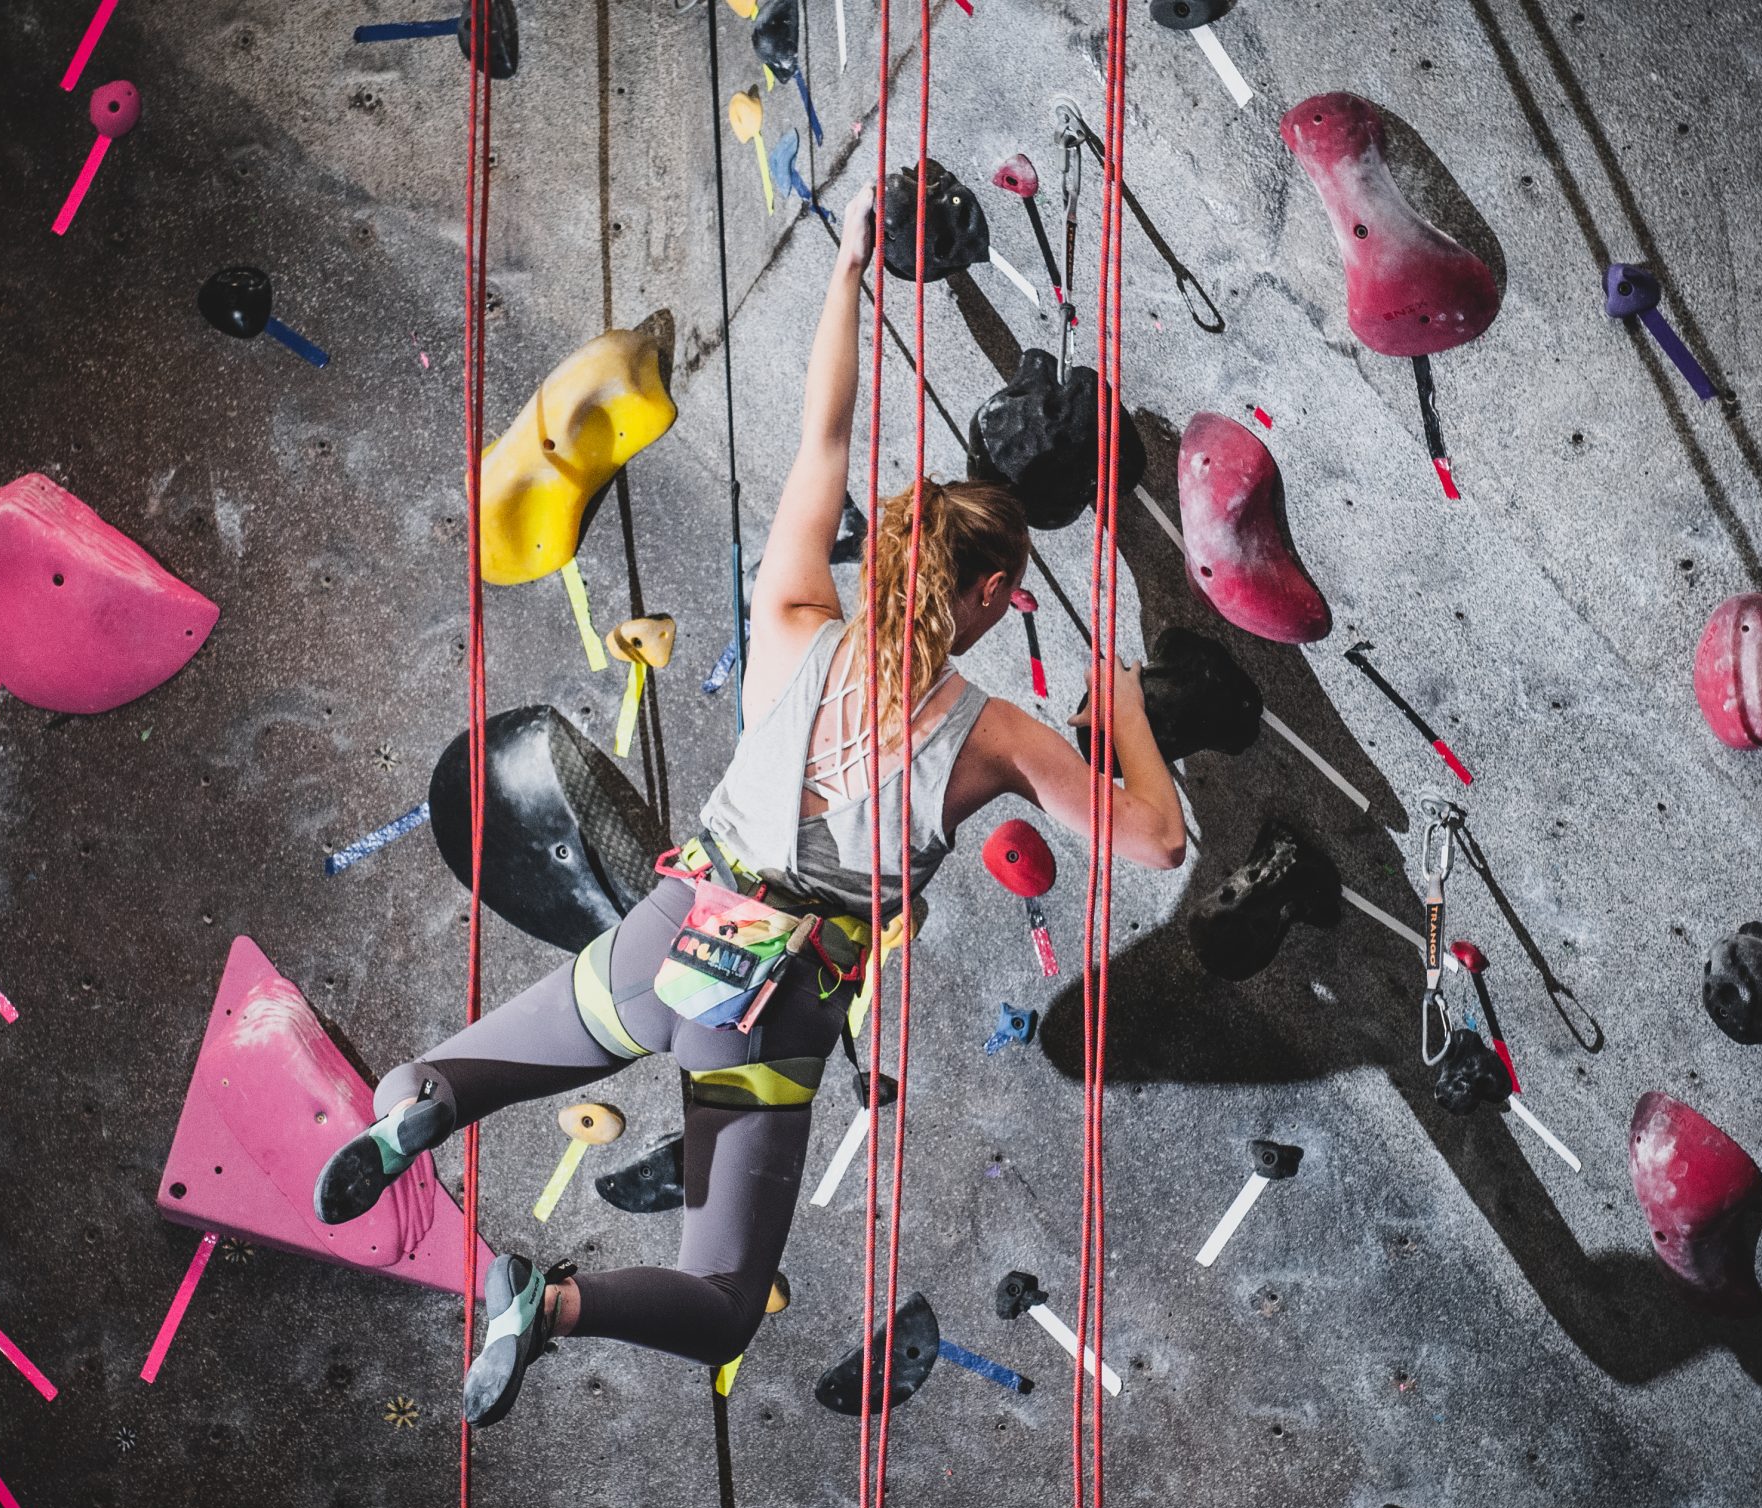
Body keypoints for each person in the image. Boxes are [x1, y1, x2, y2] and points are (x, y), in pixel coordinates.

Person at [313, 189, 1187, 1427]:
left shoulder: (794, 620)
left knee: (442, 1071)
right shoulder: (990, 736)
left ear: (879, 559)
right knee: (720, 1298)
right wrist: (1125, 705)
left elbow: (819, 441)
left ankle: (419, 1115)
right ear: (991, 594)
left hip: (666, 937)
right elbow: (1153, 838)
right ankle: (546, 1306)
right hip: (766, 1011)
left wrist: (845, 277)